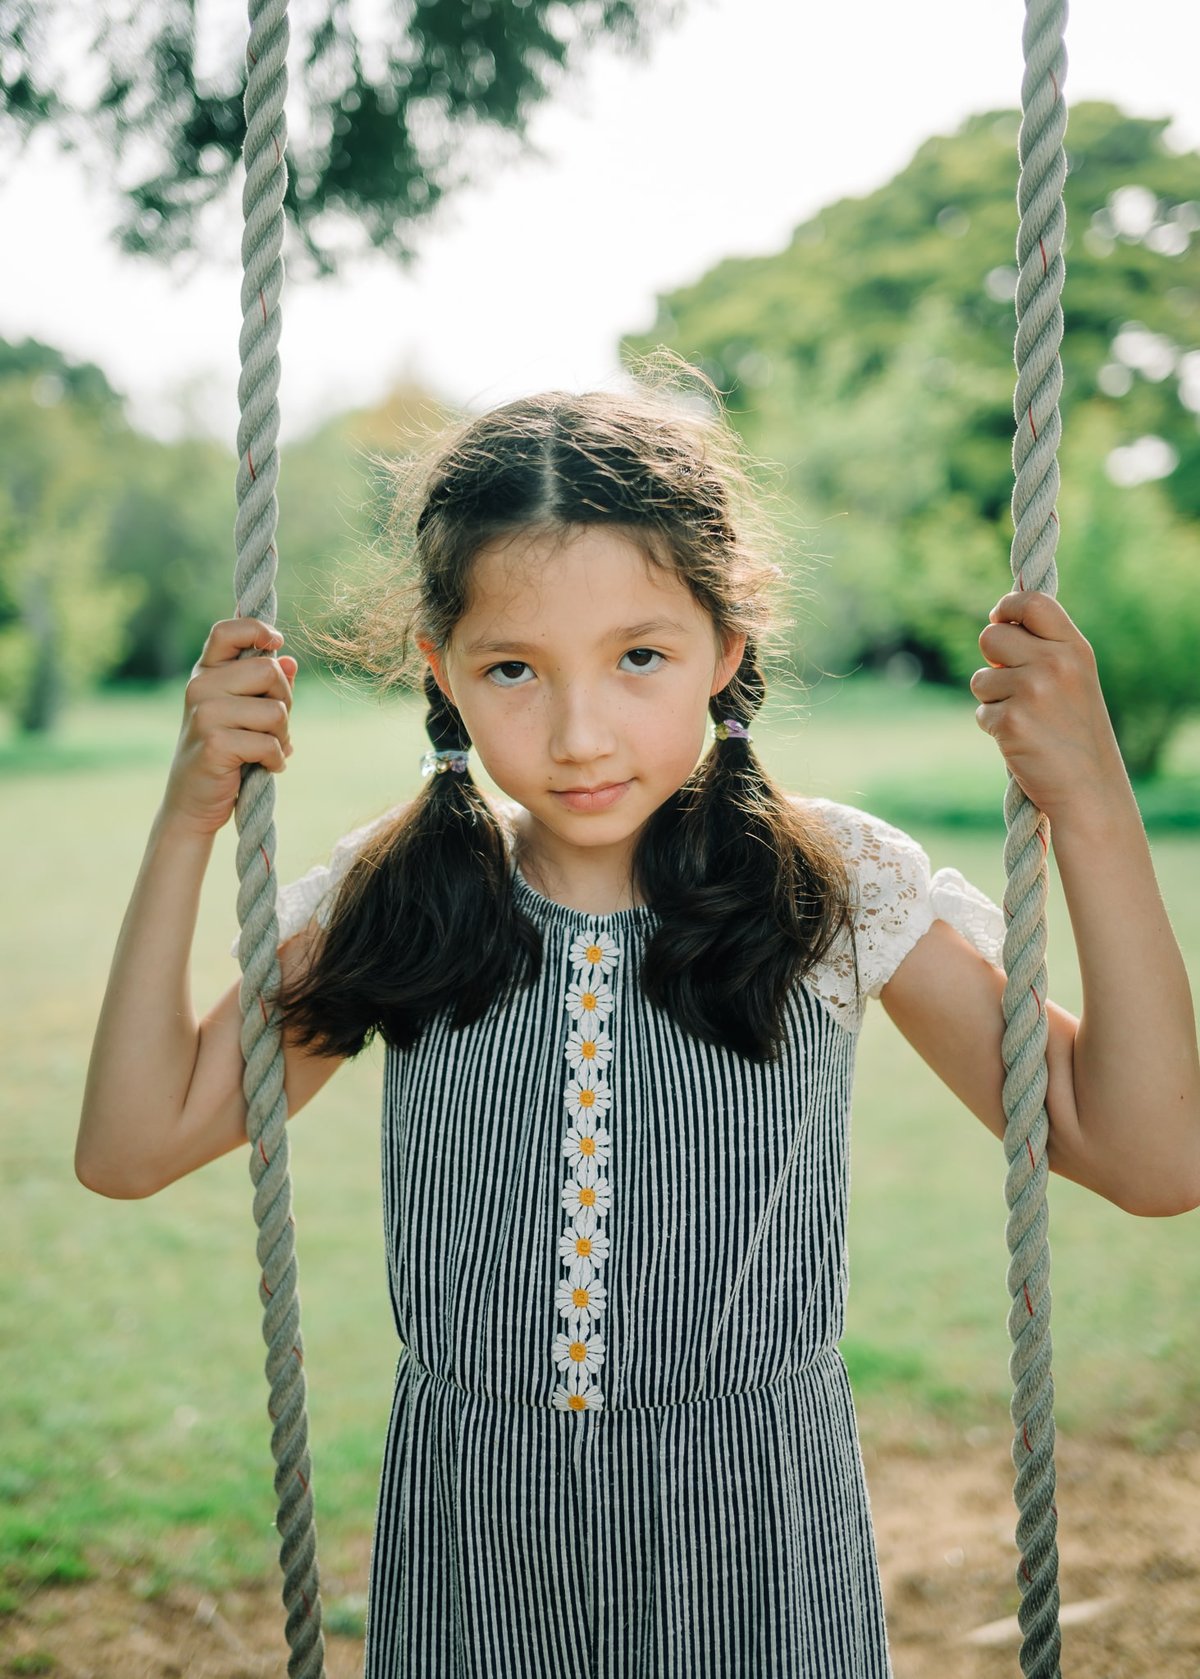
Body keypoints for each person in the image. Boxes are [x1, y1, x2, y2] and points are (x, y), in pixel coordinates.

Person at [78, 369, 1200, 1678]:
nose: (577, 732)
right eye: (513, 669)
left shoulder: (827, 887)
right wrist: (187, 817)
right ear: (441, 673)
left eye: (639, 658)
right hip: (476, 1557)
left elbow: (1147, 1155)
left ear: (726, 648)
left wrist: (1092, 803)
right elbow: (132, 1144)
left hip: (756, 1557)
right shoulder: (408, 898)